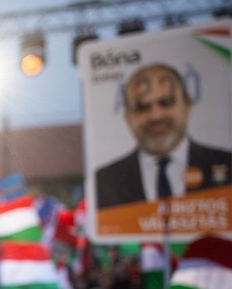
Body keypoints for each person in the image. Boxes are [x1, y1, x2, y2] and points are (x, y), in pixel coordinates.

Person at [95, 62, 231, 209]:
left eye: (166, 103)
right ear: (128, 118)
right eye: (142, 107)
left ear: (188, 105)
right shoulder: (105, 180)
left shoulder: (227, 164)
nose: (156, 116)